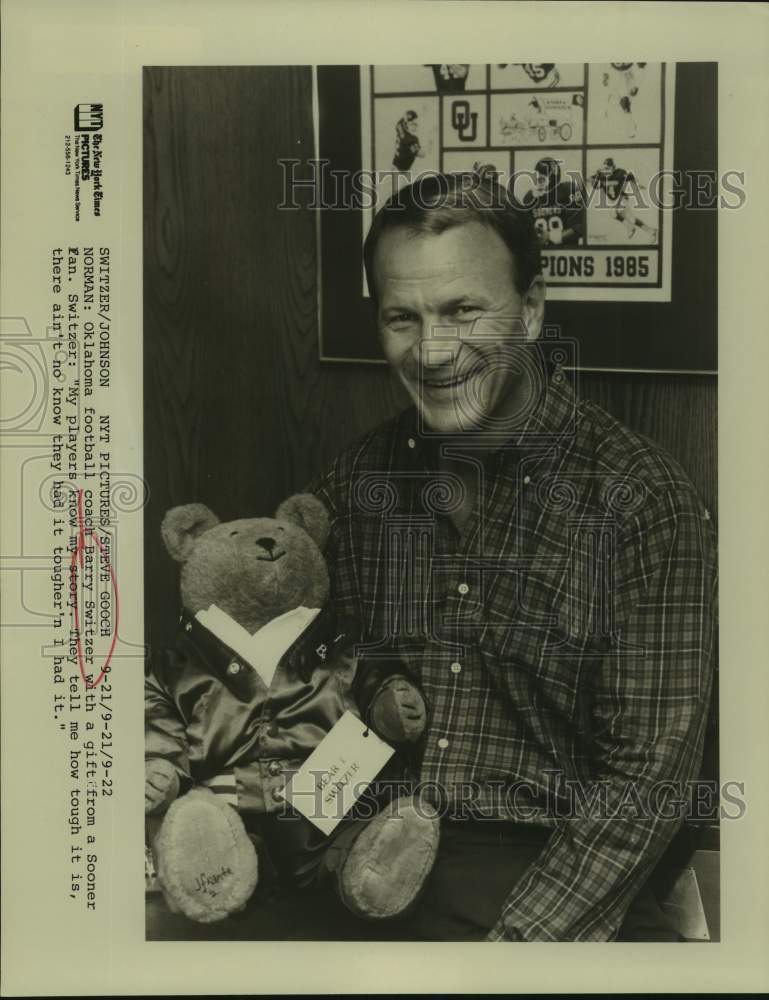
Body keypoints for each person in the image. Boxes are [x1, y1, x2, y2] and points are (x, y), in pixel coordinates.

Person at [307, 170, 717, 941]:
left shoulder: (640, 498)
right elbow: (314, 686)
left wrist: (513, 956)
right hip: (367, 853)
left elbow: (643, 787)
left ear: (529, 312)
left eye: (464, 310)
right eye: (402, 317)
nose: (431, 351)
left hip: (554, 874)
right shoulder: (358, 479)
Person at [523, 156, 585, 246]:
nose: (539, 177)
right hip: (541, 251)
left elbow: (581, 226)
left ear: (553, 175)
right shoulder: (529, 197)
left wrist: (554, 237)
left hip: (565, 251)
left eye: (543, 174)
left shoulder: (568, 190)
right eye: (538, 174)